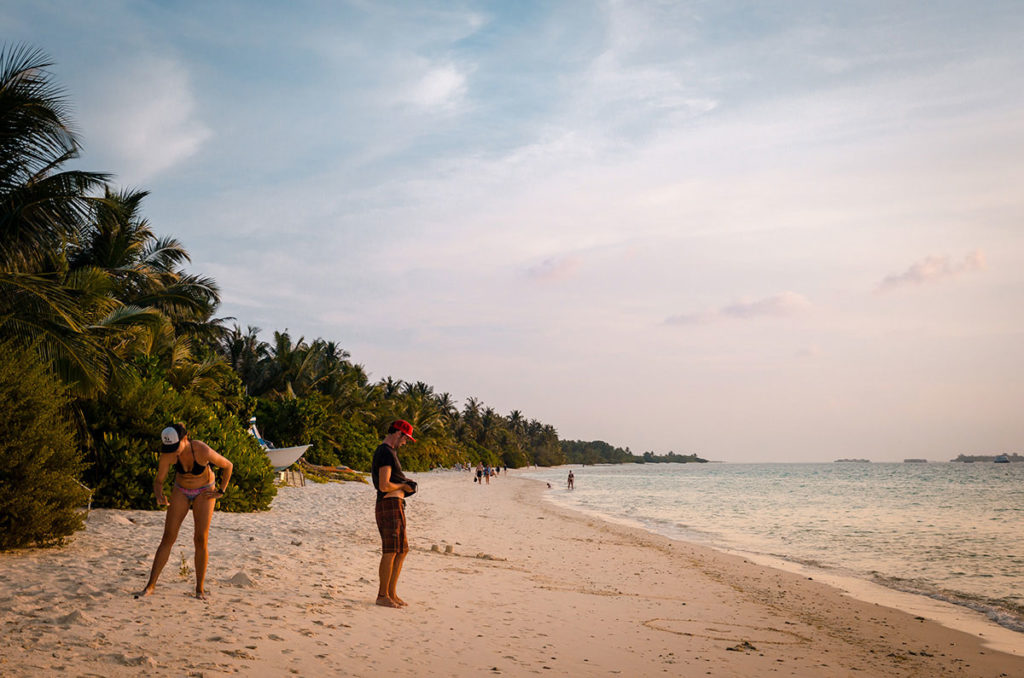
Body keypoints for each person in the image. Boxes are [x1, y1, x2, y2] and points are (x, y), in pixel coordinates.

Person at [136, 423, 233, 599]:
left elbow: (228, 465)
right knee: (168, 537)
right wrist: (159, 495)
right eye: (169, 448)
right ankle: (150, 586)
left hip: (204, 491)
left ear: (185, 438)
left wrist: (221, 491)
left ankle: (199, 589)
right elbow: (159, 481)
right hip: (181, 490)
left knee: (200, 538)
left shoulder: (201, 450)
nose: (173, 452)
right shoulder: (169, 455)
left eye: (176, 447)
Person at [372, 420, 417, 608]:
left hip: (395, 504)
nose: (405, 443)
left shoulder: (389, 453)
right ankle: (382, 595)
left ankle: (391, 593)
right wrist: (403, 486)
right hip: (389, 503)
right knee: (390, 550)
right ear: (398, 433)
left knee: (401, 550)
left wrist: (405, 485)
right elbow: (384, 485)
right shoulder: (385, 452)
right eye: (406, 439)